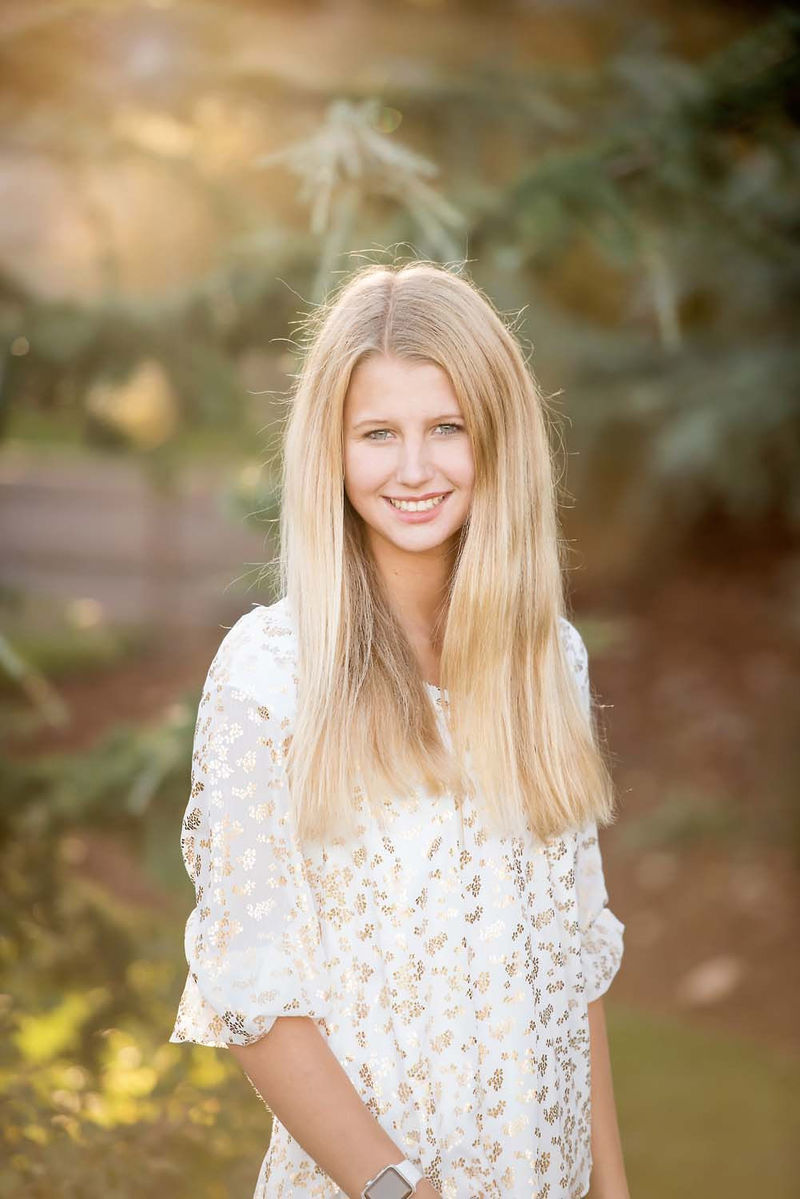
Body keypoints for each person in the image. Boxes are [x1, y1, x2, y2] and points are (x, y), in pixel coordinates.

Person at [169, 261, 629, 1199]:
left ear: (496, 441)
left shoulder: (550, 662)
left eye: (446, 428)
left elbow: (572, 974)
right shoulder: (271, 676)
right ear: (331, 454)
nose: (414, 469)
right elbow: (258, 1000)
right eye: (378, 433)